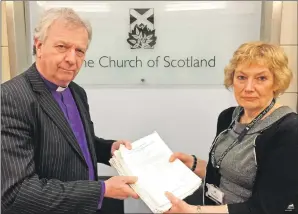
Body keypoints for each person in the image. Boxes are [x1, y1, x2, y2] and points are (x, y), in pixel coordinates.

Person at [1, 8, 139, 214]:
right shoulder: (11, 97)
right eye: (62, 47)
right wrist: (101, 190)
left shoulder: (76, 92)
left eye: (80, 51)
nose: (71, 59)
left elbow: (78, 144)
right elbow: (17, 192)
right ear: (39, 46)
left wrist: (110, 149)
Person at [164, 41, 298, 214]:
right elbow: (226, 173)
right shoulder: (229, 116)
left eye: (261, 78)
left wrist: (194, 211)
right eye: (241, 77)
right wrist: (194, 164)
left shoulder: (288, 131)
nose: (248, 88)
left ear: (277, 82)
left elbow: (265, 208)